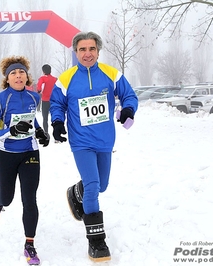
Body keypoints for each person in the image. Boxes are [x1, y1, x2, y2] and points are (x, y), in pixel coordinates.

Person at [50, 31, 138, 262]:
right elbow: (56, 103)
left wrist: (128, 109)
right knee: (93, 185)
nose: (87, 53)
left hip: (105, 140)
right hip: (81, 141)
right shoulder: (66, 78)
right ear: (76, 52)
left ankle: (74, 193)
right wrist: (57, 122)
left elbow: (129, 95)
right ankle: (97, 242)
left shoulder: (111, 74)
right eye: (82, 49)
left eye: (91, 49)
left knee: (103, 185)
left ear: (98, 51)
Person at [0, 56, 50, 265]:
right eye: (13, 73)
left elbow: (33, 118)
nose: (18, 75)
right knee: (8, 197)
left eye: (21, 72)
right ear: (7, 78)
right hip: (5, 155)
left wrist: (40, 132)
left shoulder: (34, 98)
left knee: (29, 199)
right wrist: (10, 130)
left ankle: (29, 245)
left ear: (27, 76)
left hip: (30, 153)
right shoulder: (0, 100)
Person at [37, 64, 57, 133]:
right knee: (54, 118)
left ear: (43, 71)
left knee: (45, 119)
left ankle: (46, 133)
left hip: (45, 100)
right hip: (53, 101)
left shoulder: (42, 78)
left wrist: (39, 90)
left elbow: (39, 87)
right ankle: (56, 135)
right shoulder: (55, 79)